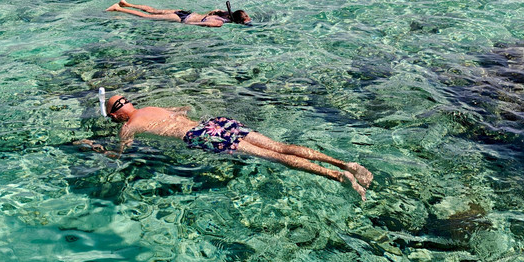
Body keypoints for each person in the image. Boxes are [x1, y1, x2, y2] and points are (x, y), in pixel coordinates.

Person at [103, 94, 372, 199]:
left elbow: (121, 153)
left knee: (274, 157)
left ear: (116, 116)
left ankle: (338, 176)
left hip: (204, 137)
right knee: (281, 146)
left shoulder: (128, 126)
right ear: (128, 104)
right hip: (217, 124)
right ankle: (344, 164)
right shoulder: (152, 106)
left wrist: (96, 148)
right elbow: (183, 108)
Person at [106, 0, 251, 27]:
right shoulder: (219, 23)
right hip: (184, 18)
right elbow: (199, 23)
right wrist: (186, 24)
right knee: (147, 17)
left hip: (186, 12)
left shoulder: (224, 14)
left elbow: (212, 11)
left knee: (152, 10)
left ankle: (127, 3)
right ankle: (118, 8)